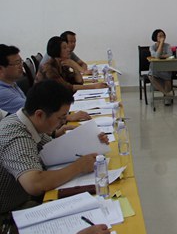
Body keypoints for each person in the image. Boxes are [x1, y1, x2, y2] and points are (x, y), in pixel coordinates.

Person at [0, 80, 108, 214]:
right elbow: (35, 184)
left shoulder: (29, 121)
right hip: (12, 209)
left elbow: (53, 150)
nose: (62, 122)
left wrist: (92, 142)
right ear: (40, 115)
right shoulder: (16, 135)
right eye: (61, 118)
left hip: (22, 198)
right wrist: (79, 167)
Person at [36, 36, 107, 94]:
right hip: (45, 102)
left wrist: (74, 67)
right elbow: (67, 88)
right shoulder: (48, 68)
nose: (68, 50)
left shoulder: (62, 63)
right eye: (64, 48)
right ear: (56, 50)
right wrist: (94, 86)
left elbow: (79, 82)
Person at [148, 29, 173, 105]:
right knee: (150, 75)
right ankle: (166, 94)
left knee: (167, 78)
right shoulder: (152, 47)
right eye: (160, 36)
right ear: (155, 37)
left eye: (163, 36)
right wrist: (161, 44)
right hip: (155, 68)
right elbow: (156, 56)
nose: (162, 37)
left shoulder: (168, 45)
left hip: (166, 67)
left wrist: (159, 56)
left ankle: (167, 98)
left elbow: (170, 55)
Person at [0, 44, 26, 114]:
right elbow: (31, 110)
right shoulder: (2, 93)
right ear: (1, 69)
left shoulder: (11, 83)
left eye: (21, 61)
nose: (21, 66)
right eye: (17, 63)